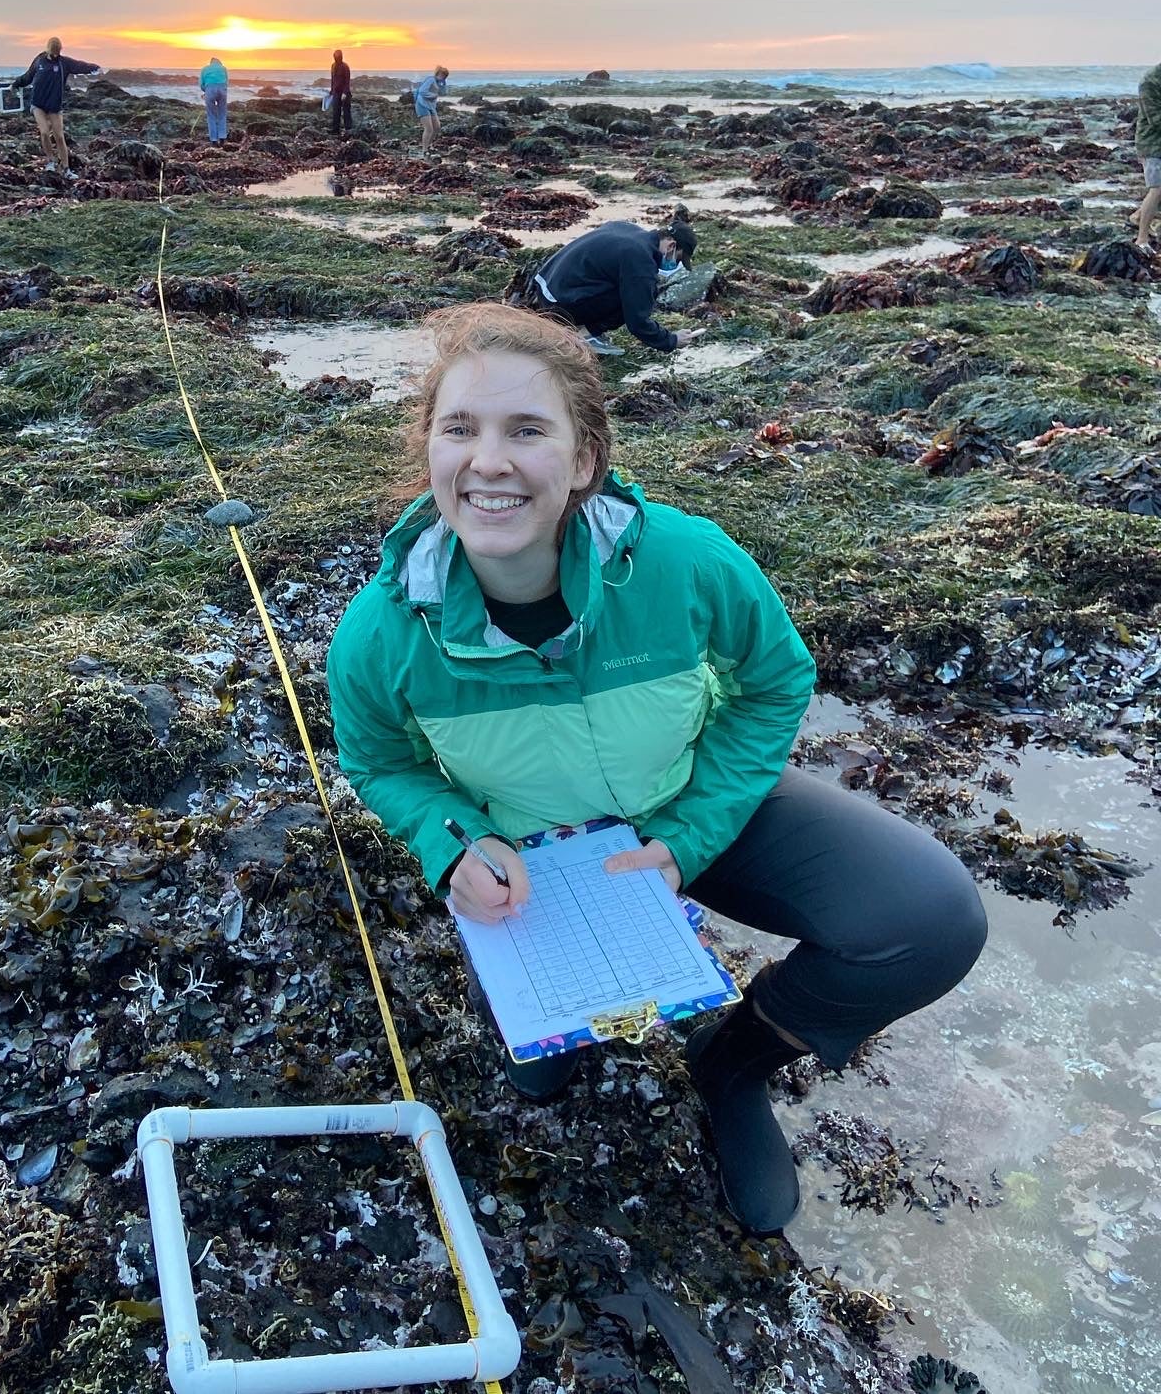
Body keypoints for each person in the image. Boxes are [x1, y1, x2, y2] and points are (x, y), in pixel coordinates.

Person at [326, 303, 987, 1235]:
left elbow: (775, 680)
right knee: (539, 1076)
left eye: (527, 430)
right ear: (429, 449)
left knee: (930, 919)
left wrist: (689, 833)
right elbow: (378, 758)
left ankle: (732, 1064)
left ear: (585, 459)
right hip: (535, 865)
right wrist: (454, 844)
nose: (489, 462)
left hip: (688, 807)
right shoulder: (380, 632)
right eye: (459, 429)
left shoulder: (685, 561)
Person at [523, 215, 701, 356]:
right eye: (678, 258)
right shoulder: (640, 259)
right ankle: (586, 335)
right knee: (636, 297)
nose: (675, 264)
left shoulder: (628, 229)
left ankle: (582, 329)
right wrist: (671, 340)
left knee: (629, 286)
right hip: (560, 302)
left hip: (545, 284)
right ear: (671, 246)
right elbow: (638, 322)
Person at [11, 37, 100, 181]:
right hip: (38, 103)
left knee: (59, 136)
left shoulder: (64, 62)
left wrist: (94, 67)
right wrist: (15, 84)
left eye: (57, 52)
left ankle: (66, 169)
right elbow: (28, 76)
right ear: (48, 49)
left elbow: (79, 65)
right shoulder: (39, 60)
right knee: (45, 132)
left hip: (54, 105)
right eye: (53, 52)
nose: (55, 55)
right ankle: (51, 161)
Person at [1132, 60, 1161, 252]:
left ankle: (1137, 217)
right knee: (1158, 188)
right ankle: (1141, 239)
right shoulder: (1149, 82)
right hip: (1152, 143)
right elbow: (1155, 119)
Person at [413, 65, 449, 156]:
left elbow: (443, 93)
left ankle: (429, 145)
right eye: (442, 75)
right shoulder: (430, 79)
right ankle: (424, 150)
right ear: (438, 73)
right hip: (422, 105)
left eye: (445, 76)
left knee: (437, 127)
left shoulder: (438, 83)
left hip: (431, 107)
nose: (443, 77)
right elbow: (422, 91)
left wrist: (443, 85)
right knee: (429, 128)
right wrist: (433, 95)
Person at [200, 56, 229, 146]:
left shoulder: (205, 69)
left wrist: (205, 91)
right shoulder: (223, 68)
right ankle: (222, 137)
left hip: (210, 90)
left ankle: (213, 140)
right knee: (222, 114)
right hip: (222, 90)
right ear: (219, 62)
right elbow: (226, 82)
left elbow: (201, 83)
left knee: (211, 115)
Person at [329, 49, 353, 136]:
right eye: (335, 57)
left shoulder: (345, 67)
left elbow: (347, 81)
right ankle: (335, 130)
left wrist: (345, 93)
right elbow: (333, 80)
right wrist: (331, 90)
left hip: (344, 93)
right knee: (336, 111)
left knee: (346, 111)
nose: (337, 58)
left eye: (338, 57)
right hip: (336, 93)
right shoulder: (333, 66)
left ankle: (348, 129)